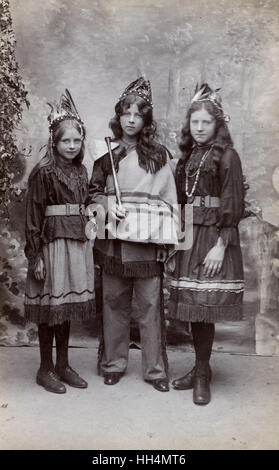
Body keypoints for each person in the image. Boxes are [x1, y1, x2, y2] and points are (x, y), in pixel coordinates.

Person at [88, 77, 178, 392]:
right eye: (126, 113)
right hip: (114, 243)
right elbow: (92, 195)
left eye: (138, 114)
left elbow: (170, 199)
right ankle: (113, 363)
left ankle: (155, 371)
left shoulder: (160, 155)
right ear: (118, 116)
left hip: (148, 245)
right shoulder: (105, 155)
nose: (131, 120)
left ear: (146, 120)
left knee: (151, 307)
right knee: (114, 303)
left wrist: (169, 243)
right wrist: (107, 205)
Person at [168, 84, 245, 405]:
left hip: (214, 237)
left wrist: (221, 244)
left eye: (206, 123)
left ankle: (202, 374)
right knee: (191, 306)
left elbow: (233, 203)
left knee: (205, 307)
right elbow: (179, 200)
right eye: (195, 122)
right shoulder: (188, 157)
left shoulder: (228, 156)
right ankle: (200, 367)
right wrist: (175, 239)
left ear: (217, 125)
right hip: (189, 235)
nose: (199, 128)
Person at [24, 90, 95, 394]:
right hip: (51, 245)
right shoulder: (43, 172)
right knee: (50, 307)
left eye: (77, 141)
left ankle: (63, 365)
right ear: (54, 141)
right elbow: (32, 215)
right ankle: (45, 368)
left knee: (64, 307)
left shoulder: (81, 171)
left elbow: (88, 203)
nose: (71, 145)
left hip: (75, 244)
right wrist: (35, 255)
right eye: (65, 140)